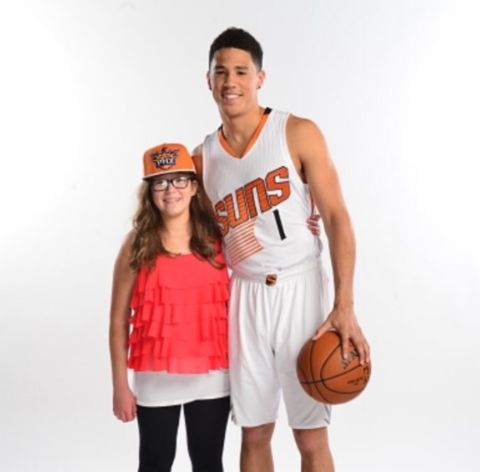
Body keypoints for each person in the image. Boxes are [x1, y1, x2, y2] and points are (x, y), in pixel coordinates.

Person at [192, 28, 371, 472]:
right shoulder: (201, 159)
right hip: (246, 294)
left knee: (310, 436)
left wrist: (344, 305)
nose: (230, 81)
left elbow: (337, 219)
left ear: (260, 77)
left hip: (301, 287)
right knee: (254, 432)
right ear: (208, 80)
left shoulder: (297, 132)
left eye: (240, 71)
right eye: (221, 72)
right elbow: (199, 244)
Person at [109, 143, 231, 472]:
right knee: (154, 462)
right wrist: (121, 385)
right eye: (160, 182)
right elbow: (118, 320)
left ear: (193, 187)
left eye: (178, 180)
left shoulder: (219, 238)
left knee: (209, 463)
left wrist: (307, 226)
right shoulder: (137, 244)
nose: (170, 190)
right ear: (149, 192)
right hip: (155, 378)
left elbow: (263, 254)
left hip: (212, 376)